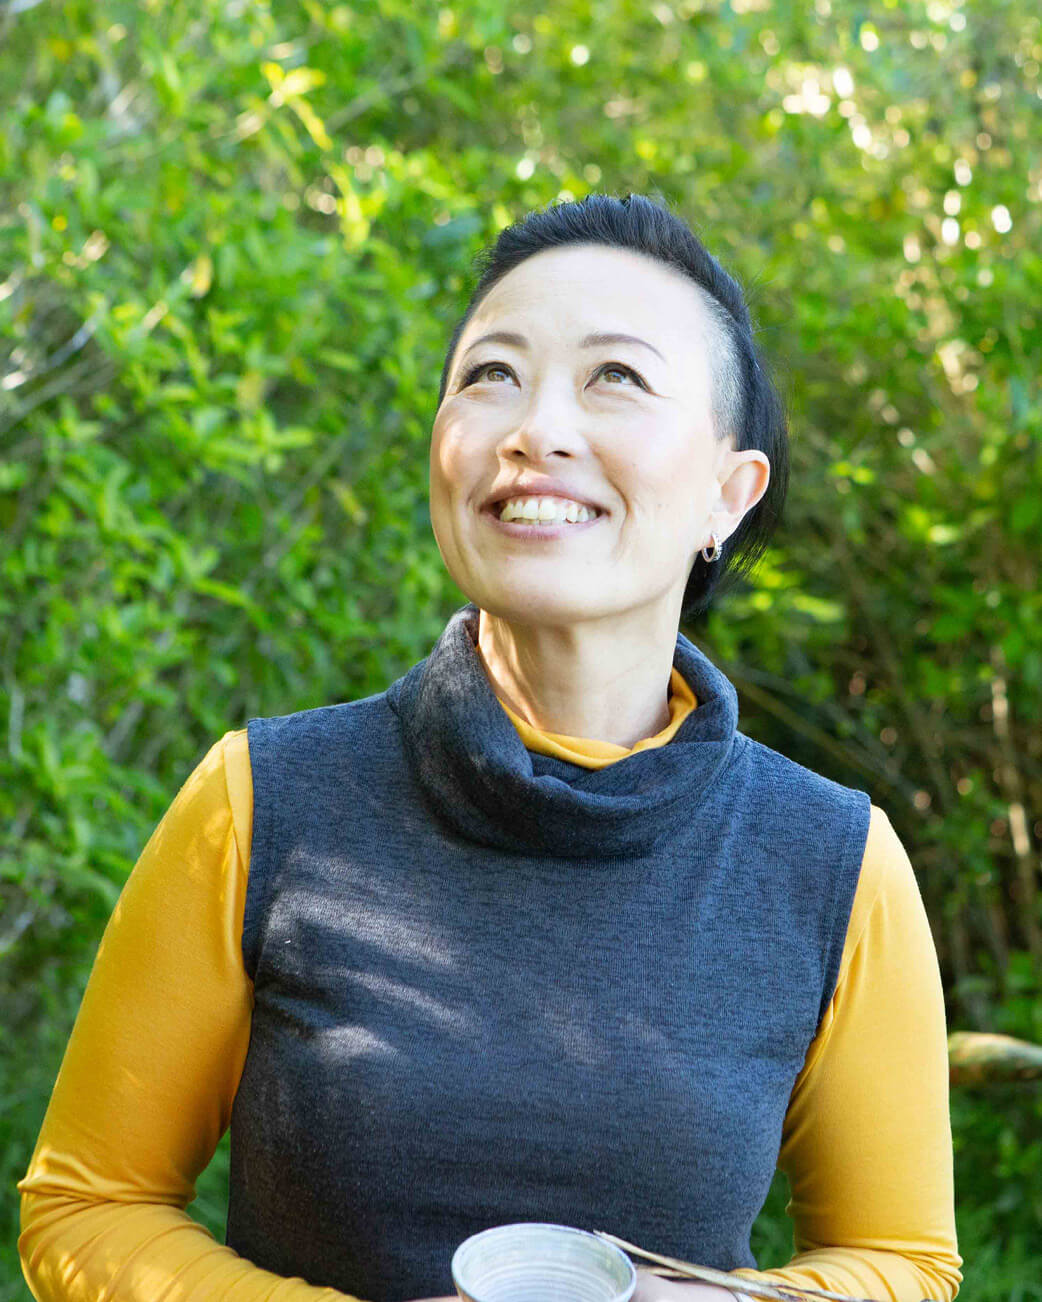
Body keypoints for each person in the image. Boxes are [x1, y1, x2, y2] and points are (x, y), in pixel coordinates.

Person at [18, 193, 962, 1302]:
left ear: (727, 493)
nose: (535, 429)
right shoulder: (261, 803)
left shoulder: (832, 862)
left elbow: (904, 1259)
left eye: (615, 377)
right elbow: (87, 1205)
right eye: (490, 375)